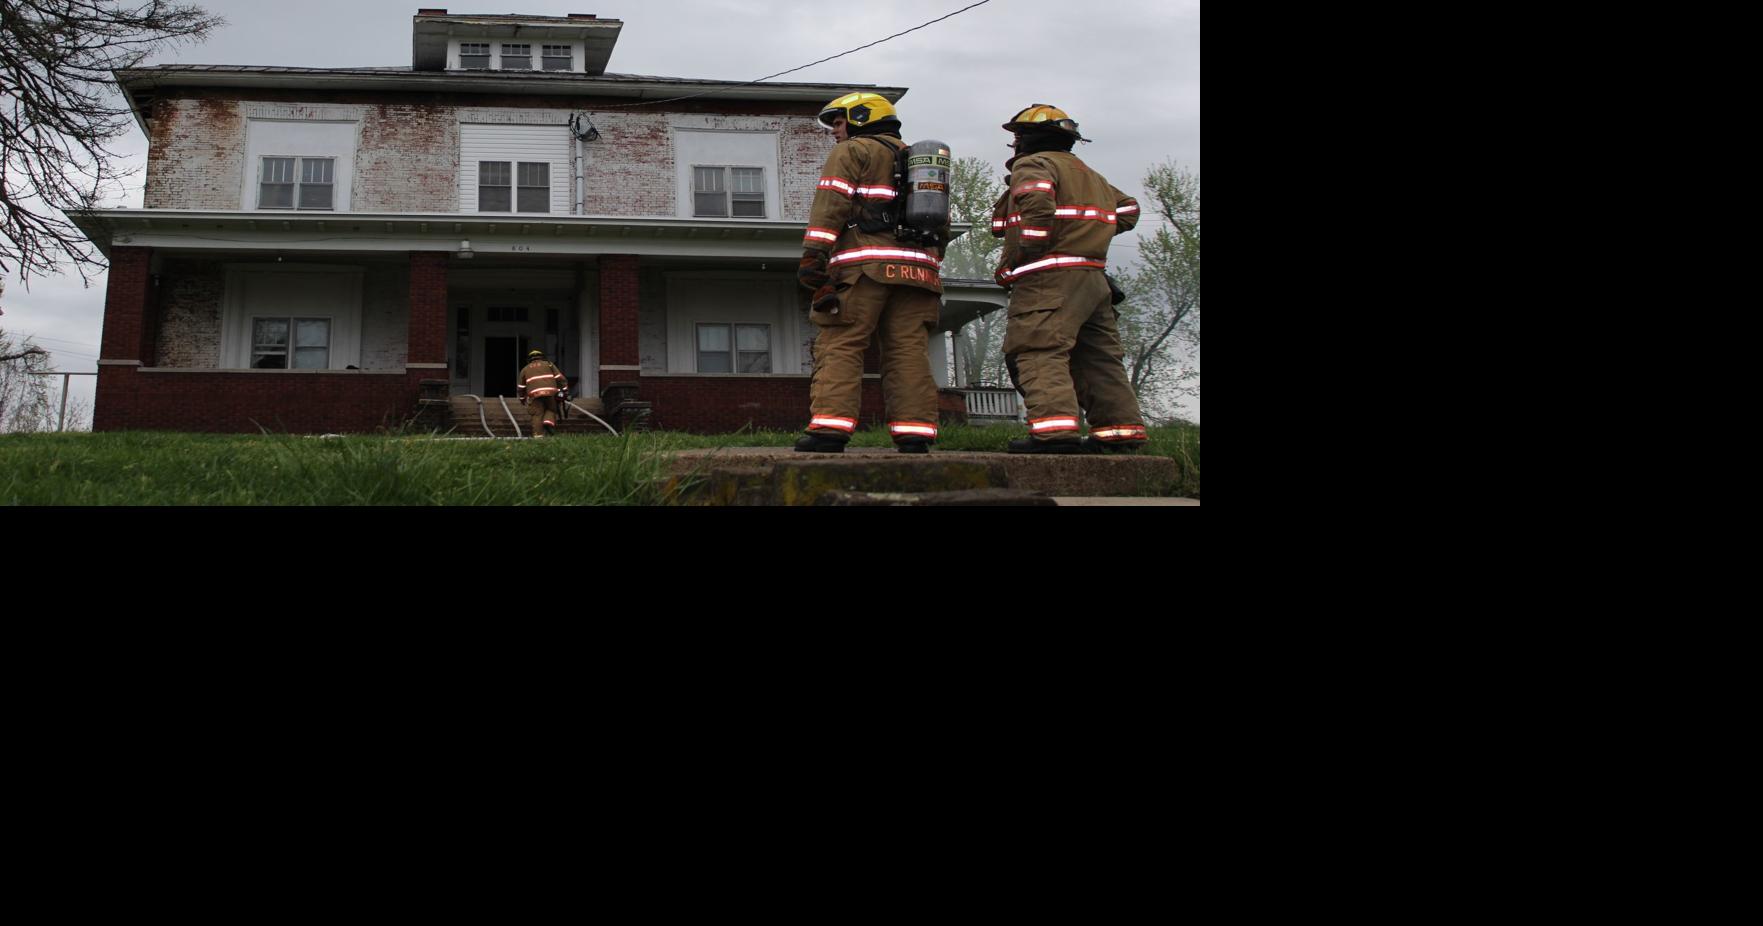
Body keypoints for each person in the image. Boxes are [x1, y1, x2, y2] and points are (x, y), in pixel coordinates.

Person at [991, 104, 1148, 454]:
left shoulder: (1033, 165)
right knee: (1099, 357)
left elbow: (1037, 209)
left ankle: (1055, 433)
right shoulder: (1088, 174)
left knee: (1038, 349)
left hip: (1048, 279)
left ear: (1028, 137)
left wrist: (1025, 254)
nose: (1015, 145)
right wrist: (1089, 234)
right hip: (1093, 280)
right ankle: (1120, 433)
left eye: (1017, 138)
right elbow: (1128, 209)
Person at [795, 91, 944, 454]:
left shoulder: (853, 151)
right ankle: (915, 434)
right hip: (919, 274)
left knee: (841, 342)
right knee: (908, 351)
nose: (835, 131)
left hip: (865, 268)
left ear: (862, 118)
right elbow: (942, 226)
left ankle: (829, 430)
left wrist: (814, 255)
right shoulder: (921, 162)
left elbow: (831, 204)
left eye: (839, 122)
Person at [517, 348, 568, 438]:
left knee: (537, 415)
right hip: (551, 393)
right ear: (542, 357)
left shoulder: (525, 369)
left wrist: (522, 399)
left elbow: (521, 387)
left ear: (529, 359)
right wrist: (565, 391)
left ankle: (538, 437)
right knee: (552, 409)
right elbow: (560, 378)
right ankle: (547, 421)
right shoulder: (549, 364)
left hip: (534, 395)